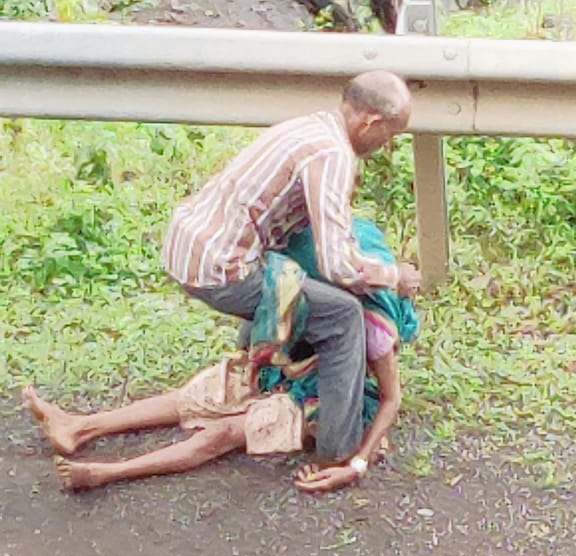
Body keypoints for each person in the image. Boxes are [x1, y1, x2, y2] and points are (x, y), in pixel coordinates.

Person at [22, 219, 419, 496]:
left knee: (224, 433)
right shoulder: (299, 281)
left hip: (320, 399)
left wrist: (358, 462)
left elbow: (391, 398)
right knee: (195, 396)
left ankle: (105, 473)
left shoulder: (370, 323)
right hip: (281, 371)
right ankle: (80, 428)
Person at [161, 70, 419, 473]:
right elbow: (339, 265)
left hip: (187, 245)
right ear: (371, 122)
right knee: (342, 317)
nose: (385, 147)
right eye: (388, 137)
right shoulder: (333, 155)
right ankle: (337, 449)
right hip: (221, 269)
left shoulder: (309, 126)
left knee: (295, 284)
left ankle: (257, 364)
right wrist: (393, 276)